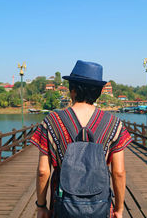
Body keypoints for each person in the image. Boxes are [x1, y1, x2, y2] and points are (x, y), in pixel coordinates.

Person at [30, 60, 133, 218]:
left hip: (63, 205)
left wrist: (41, 206)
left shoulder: (52, 121)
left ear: (73, 90)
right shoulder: (113, 124)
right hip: (100, 206)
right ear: (98, 92)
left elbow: (43, 171)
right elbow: (118, 172)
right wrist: (119, 209)